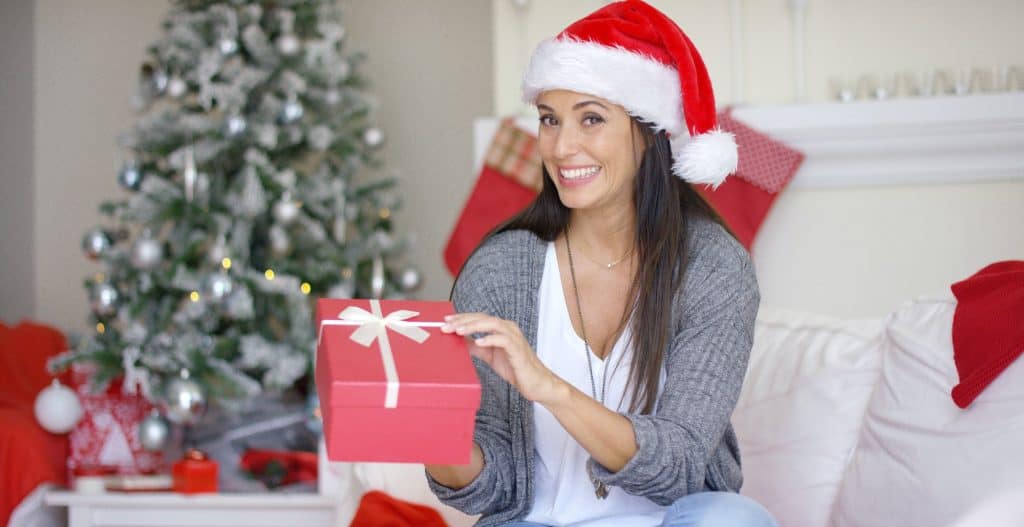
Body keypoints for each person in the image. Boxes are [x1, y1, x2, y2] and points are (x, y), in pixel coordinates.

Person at [425, 1, 777, 525]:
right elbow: (490, 491)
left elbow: (680, 464)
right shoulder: (500, 268)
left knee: (734, 520)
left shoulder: (713, 266)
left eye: (591, 118)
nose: (563, 146)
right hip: (538, 521)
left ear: (648, 131)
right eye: (549, 119)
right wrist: (431, 432)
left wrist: (550, 389)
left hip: (669, 519)